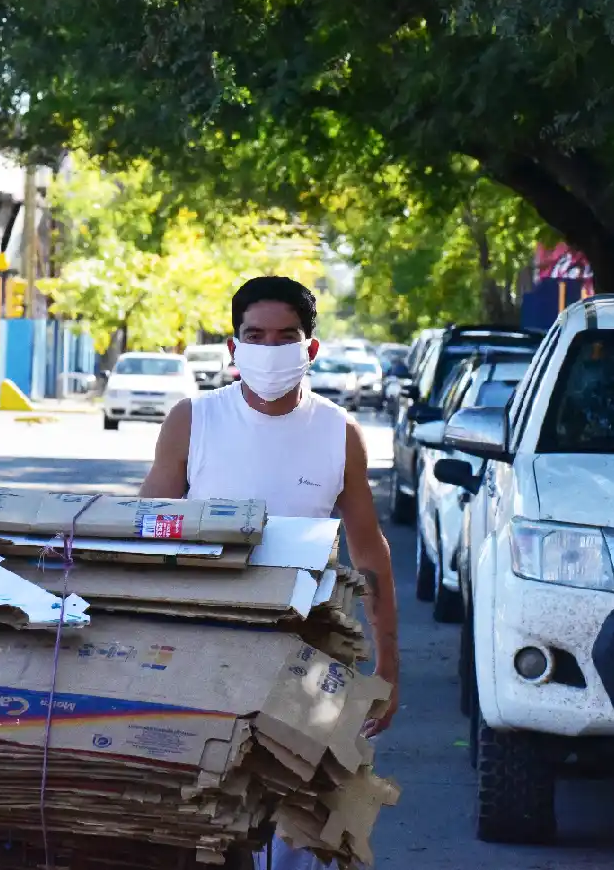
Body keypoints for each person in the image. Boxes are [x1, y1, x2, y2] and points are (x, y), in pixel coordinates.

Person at [139, 276, 401, 870]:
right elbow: (144, 533)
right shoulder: (193, 421)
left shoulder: (338, 432)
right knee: (204, 806)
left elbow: (370, 554)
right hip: (203, 641)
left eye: (286, 337)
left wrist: (388, 664)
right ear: (233, 349)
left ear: (311, 350)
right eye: (254, 335)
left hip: (303, 649)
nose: (269, 348)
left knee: (296, 823)